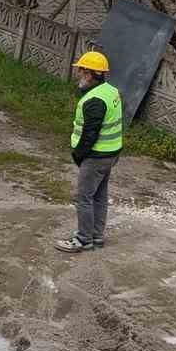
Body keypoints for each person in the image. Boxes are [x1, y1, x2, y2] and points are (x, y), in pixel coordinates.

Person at [56, 50, 123, 254]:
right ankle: (97, 236)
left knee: (84, 198)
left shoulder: (94, 100)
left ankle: (83, 239)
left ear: (89, 74)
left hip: (95, 156)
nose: (79, 75)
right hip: (111, 154)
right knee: (99, 196)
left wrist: (78, 154)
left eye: (81, 71)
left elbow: (89, 134)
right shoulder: (111, 91)